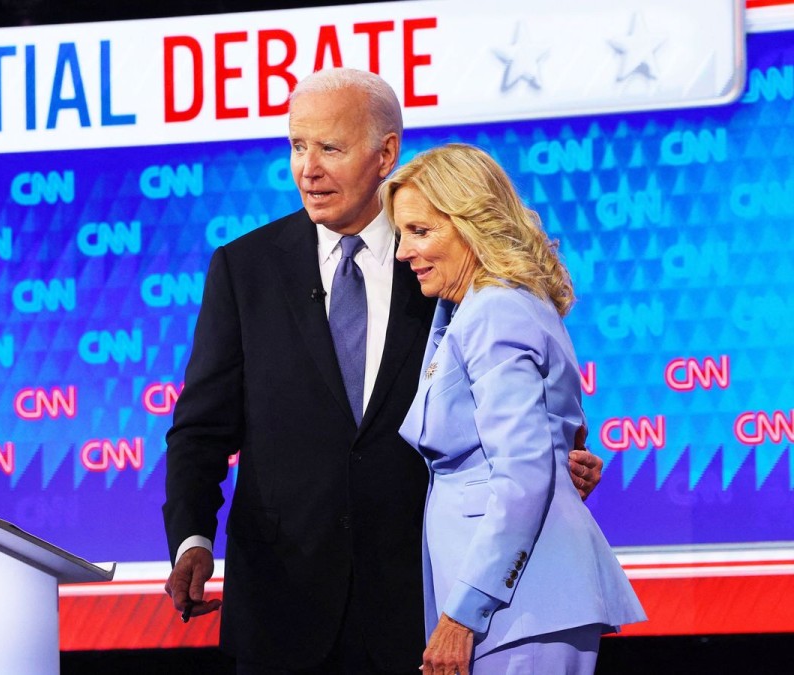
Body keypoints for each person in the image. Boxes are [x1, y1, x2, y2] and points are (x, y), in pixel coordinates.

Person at [162, 68, 604, 674]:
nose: (308, 169)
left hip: (419, 606)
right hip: (281, 608)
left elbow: (514, 400)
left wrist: (555, 462)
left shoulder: (438, 259)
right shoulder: (245, 269)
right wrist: (192, 538)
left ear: (385, 154)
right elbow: (201, 429)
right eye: (297, 146)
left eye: (329, 148)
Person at [382, 143, 646, 675]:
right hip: (516, 603)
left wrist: (464, 613)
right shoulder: (485, 307)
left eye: (420, 231)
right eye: (401, 234)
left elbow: (522, 473)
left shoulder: (495, 310)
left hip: (520, 605)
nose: (403, 252)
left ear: (471, 223)